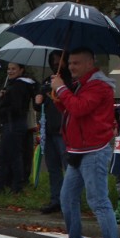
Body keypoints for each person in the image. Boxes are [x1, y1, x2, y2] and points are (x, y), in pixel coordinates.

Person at [50, 48, 120, 238]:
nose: (71, 67)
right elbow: (72, 111)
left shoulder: (99, 86)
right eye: (70, 63)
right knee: (67, 198)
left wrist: (61, 89)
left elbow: (80, 108)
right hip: (78, 150)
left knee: (98, 201)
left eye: (76, 63)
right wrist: (58, 96)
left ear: (90, 63)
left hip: (94, 151)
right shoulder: (84, 84)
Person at [34, 51, 70, 214]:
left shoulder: (69, 80)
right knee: (53, 168)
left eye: (59, 61)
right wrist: (40, 95)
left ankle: (69, 200)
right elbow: (38, 105)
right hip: (48, 130)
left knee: (67, 167)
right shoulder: (48, 79)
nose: (56, 64)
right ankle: (56, 199)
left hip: (62, 130)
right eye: (53, 61)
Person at [0, 63, 36, 194]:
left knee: (13, 155)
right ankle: (4, 184)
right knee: (5, 155)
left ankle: (16, 185)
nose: (10, 72)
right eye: (9, 69)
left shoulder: (19, 85)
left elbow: (16, 107)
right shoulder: (14, 85)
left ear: (21, 70)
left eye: (13, 69)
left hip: (14, 123)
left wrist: (4, 101)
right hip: (12, 123)